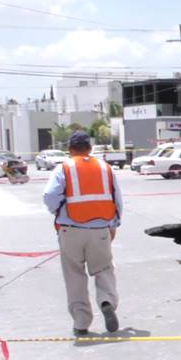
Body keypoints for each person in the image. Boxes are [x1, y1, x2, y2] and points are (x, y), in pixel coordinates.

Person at [43, 130, 123, 336]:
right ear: (90, 148)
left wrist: (59, 212)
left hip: (70, 230)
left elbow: (50, 195)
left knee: (74, 275)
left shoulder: (64, 168)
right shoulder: (105, 168)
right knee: (104, 269)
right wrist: (113, 225)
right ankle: (106, 301)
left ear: (70, 150)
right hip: (100, 230)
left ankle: (81, 322)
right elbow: (117, 199)